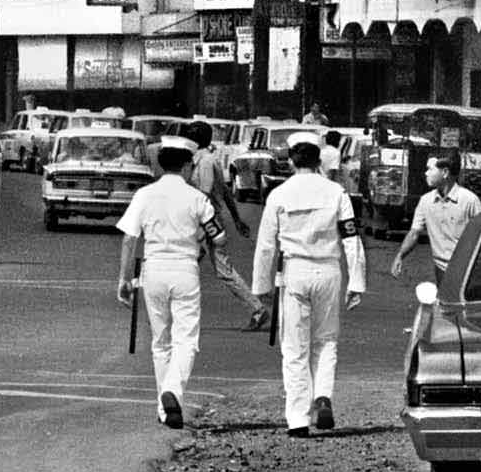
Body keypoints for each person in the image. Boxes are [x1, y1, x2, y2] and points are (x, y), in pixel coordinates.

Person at [251, 131, 366, 437]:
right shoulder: (336, 193)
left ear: (290, 160)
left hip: (295, 272)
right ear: (318, 160)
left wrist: (260, 288)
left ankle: (298, 419)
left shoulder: (279, 194)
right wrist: (357, 281)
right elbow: (352, 239)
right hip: (329, 270)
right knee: (326, 341)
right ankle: (323, 396)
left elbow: (265, 245)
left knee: (294, 347)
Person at [115, 135, 225, 430]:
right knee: (186, 339)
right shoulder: (196, 198)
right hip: (185, 270)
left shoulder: (145, 194)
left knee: (160, 342)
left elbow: (129, 239)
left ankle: (165, 410)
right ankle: (172, 392)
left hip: (153, 270)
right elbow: (218, 236)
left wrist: (124, 279)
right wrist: (199, 236)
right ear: (188, 164)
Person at [183, 120, 270, 332]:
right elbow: (225, 193)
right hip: (210, 220)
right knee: (186, 266)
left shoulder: (204, 163)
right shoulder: (208, 159)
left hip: (205, 223)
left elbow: (204, 194)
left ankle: (258, 309)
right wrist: (237, 219)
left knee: (221, 270)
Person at [391, 154, 481, 285]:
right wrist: (400, 255)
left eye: (430, 169)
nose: (426, 173)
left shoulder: (470, 201)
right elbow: (414, 233)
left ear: (445, 172)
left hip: (468, 270)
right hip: (441, 270)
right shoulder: (425, 201)